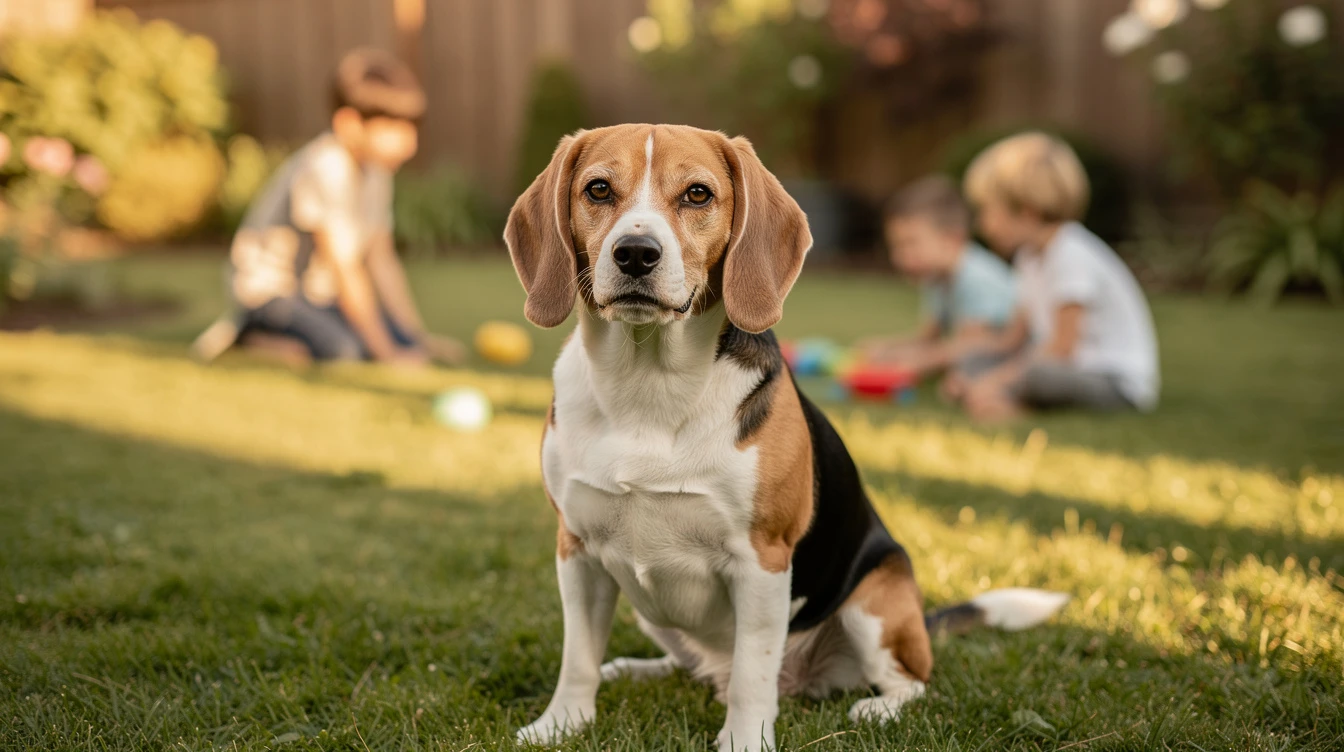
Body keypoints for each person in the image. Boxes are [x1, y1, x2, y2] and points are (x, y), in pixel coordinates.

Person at [192, 48, 462, 367]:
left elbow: (381, 259)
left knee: (394, 338)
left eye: (412, 127)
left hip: (318, 298)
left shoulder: (376, 172)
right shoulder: (324, 167)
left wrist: (415, 338)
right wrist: (388, 354)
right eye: (393, 127)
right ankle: (247, 335)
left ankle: (306, 341)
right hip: (270, 294)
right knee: (344, 351)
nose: (410, 142)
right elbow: (344, 267)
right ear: (349, 123)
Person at [947, 132, 1159, 421]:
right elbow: (1012, 339)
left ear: (1027, 211)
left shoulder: (1070, 253)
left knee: (1039, 375)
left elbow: (1062, 349)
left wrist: (999, 381)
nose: (982, 225)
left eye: (987, 211)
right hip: (1064, 368)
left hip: (1111, 382)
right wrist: (970, 369)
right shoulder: (1028, 258)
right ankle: (997, 396)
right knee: (975, 360)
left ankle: (1015, 410)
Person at [859, 175, 1016, 380]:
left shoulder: (976, 278)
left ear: (952, 239)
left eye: (910, 243)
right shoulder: (936, 279)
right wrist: (888, 349)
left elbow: (967, 346)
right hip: (986, 356)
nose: (898, 257)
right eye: (895, 246)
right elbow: (929, 339)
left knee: (963, 374)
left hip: (1016, 357)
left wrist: (906, 364)